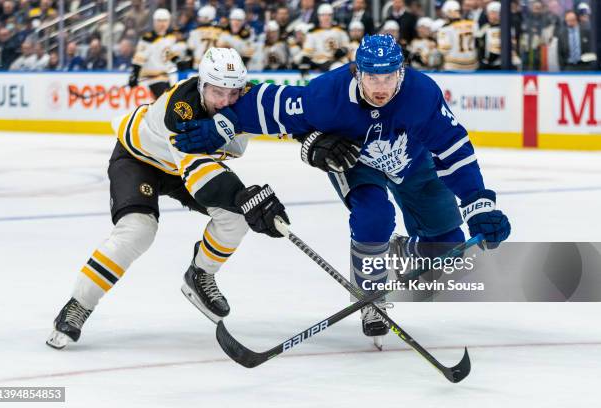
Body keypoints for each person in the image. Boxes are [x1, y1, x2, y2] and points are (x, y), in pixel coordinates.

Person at [172, 34, 511, 345]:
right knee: (374, 217)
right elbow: (270, 104)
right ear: (356, 72)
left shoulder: (422, 94)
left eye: (389, 77)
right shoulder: (327, 95)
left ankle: (385, 260)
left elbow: (453, 149)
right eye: (372, 78)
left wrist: (479, 202)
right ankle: (371, 296)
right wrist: (221, 126)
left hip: (413, 162)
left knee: (447, 249)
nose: (381, 87)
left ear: (401, 73)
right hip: (356, 162)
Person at [46, 48, 290, 350]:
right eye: (217, 93)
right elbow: (200, 176)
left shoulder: (247, 100)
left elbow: (287, 118)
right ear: (202, 85)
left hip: (182, 167)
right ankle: (78, 304)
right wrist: (243, 196)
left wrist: (313, 136)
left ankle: (201, 274)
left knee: (235, 218)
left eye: (233, 93)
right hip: (140, 159)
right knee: (138, 230)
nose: (226, 102)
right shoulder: (181, 109)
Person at [129, 9, 187, 99]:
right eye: (159, 21)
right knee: (167, 102)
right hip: (152, 77)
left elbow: (168, 54)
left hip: (165, 76)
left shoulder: (170, 37)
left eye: (165, 21)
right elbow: (139, 58)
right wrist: (134, 74)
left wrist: (177, 61)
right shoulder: (148, 39)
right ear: (154, 22)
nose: (162, 24)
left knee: (168, 103)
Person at [300, 3, 350, 72]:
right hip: (319, 63)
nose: (326, 18)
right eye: (323, 15)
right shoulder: (312, 32)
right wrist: (304, 63)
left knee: (340, 67)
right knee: (336, 68)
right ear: (319, 16)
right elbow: (307, 52)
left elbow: (347, 46)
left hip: (338, 61)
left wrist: (342, 50)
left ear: (333, 16)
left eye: (329, 15)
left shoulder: (340, 30)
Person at [437, 0, 479, 70]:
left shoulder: (445, 29)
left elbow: (444, 49)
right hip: (472, 64)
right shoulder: (473, 24)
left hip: (453, 65)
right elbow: (478, 43)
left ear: (447, 12)